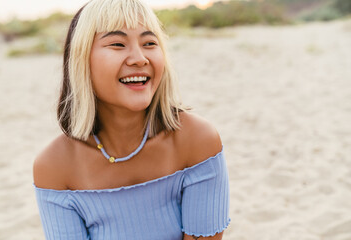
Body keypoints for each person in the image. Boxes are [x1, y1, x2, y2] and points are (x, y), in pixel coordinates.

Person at [33, 0, 230, 239]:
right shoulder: (54, 166)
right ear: (81, 60)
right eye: (117, 44)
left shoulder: (197, 140)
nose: (139, 58)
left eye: (149, 43)